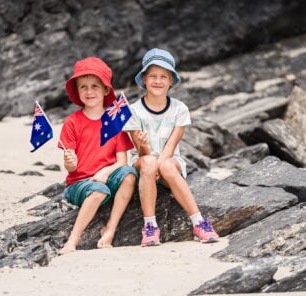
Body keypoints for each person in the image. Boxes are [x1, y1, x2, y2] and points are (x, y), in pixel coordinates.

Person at [124, 48, 219, 246]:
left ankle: (199, 222)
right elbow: (141, 153)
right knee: (149, 162)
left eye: (163, 76)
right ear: (144, 80)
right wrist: (142, 146)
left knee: (166, 164)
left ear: (171, 81)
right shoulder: (134, 111)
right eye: (153, 76)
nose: (157, 81)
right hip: (143, 163)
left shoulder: (180, 109)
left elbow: (171, 146)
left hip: (168, 163)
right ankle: (150, 227)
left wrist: (159, 166)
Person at [58, 57, 138, 255]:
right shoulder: (72, 122)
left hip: (106, 178)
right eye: (83, 87)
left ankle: (109, 229)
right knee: (98, 190)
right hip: (79, 184)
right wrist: (70, 163)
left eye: (95, 86)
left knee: (129, 174)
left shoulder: (114, 121)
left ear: (105, 90)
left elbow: (122, 161)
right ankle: (72, 241)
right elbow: (71, 168)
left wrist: (105, 171)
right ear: (77, 91)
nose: (89, 91)